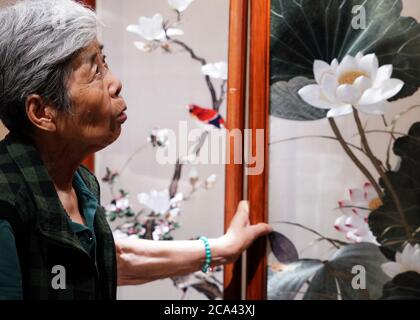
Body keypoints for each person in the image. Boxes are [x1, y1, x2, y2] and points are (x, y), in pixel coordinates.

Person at [0, 0, 271, 300]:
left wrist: (221, 249)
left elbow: (113, 259)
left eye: (105, 62)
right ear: (42, 111)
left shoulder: (78, 182)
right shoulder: (6, 204)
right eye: (94, 71)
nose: (115, 83)